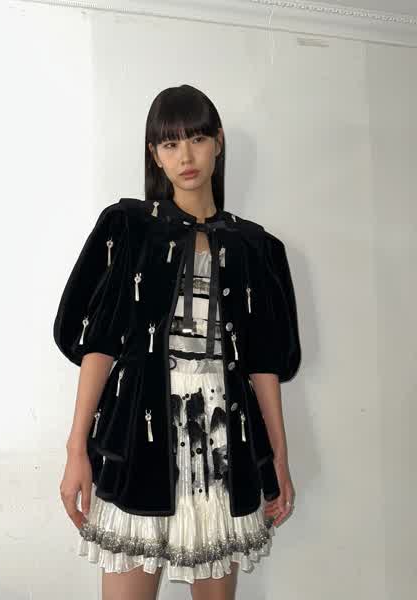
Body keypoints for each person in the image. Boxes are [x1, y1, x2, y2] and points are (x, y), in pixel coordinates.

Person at [54, 84, 301, 599]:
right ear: (155, 155)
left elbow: (263, 363)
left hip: (225, 443)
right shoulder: (129, 228)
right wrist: (77, 448)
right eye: (170, 144)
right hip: (138, 439)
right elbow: (100, 342)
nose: (185, 156)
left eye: (197, 139)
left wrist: (279, 456)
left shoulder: (254, 246)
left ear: (218, 142)